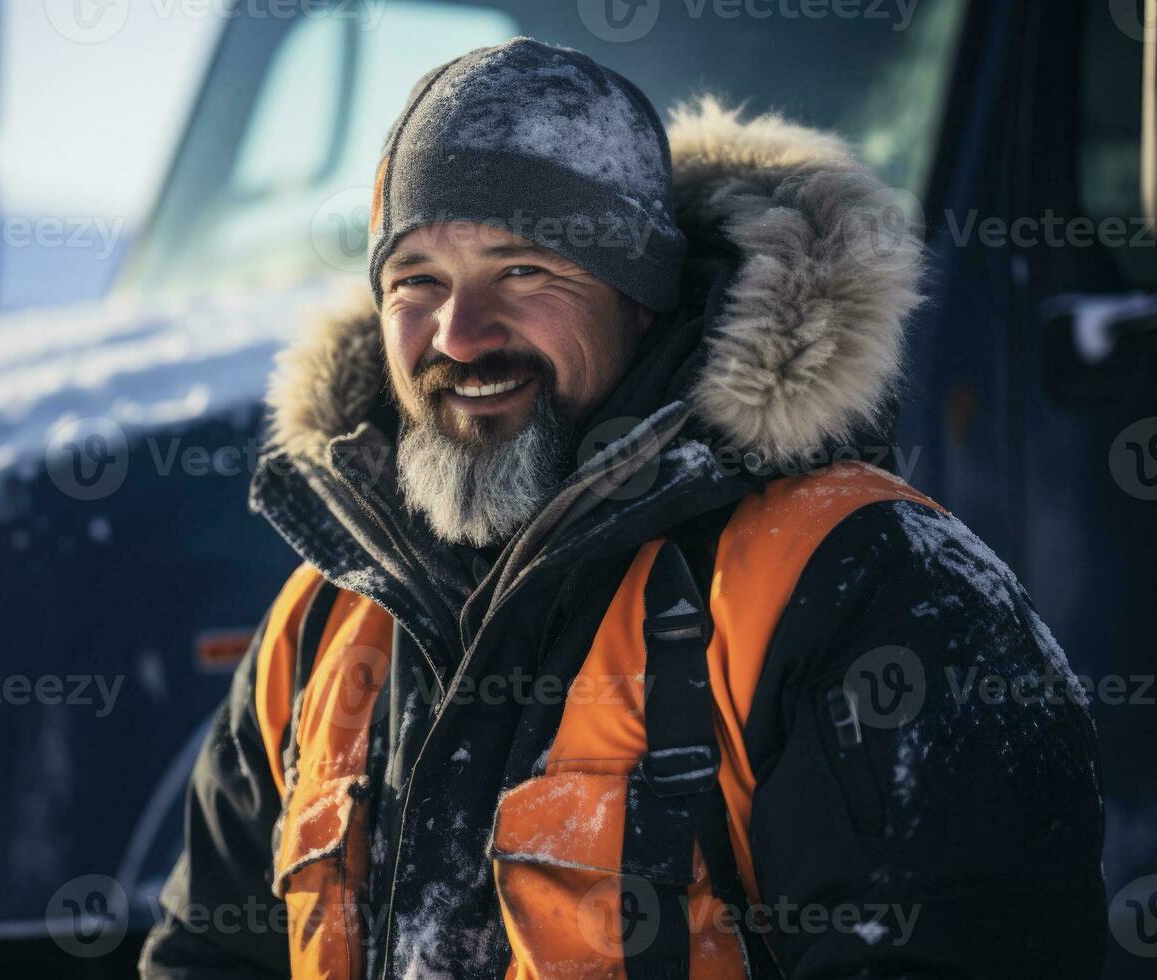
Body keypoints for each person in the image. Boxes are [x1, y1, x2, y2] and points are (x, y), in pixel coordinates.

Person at [141, 38, 1105, 979]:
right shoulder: (321, 626)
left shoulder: (860, 583)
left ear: (640, 296)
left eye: (523, 269)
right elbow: (210, 954)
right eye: (416, 281)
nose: (460, 335)